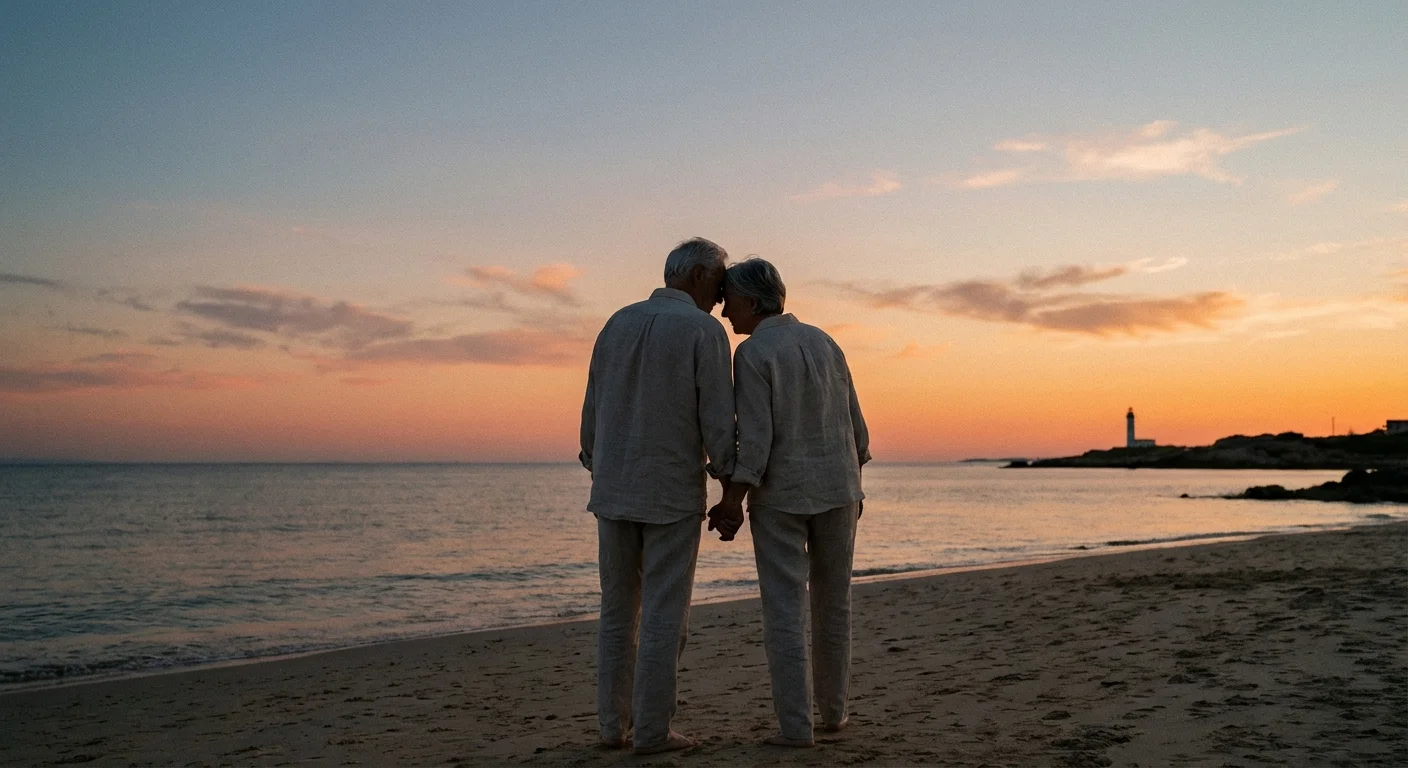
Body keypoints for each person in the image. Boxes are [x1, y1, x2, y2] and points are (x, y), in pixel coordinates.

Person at [578, 237, 736, 755]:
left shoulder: (616, 323)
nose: (721, 295)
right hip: (668, 491)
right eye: (718, 282)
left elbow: (592, 411)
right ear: (695, 277)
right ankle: (651, 731)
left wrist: (600, 465)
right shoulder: (703, 330)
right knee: (666, 613)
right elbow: (716, 418)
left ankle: (611, 727)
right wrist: (731, 485)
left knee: (617, 612)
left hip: (614, 488)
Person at [709, 257, 870, 747]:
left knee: (783, 610)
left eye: (729, 302)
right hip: (840, 489)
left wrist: (733, 498)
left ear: (753, 302)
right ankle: (835, 714)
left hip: (783, 496)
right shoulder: (825, 342)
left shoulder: (755, 354)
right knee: (833, 603)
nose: (723, 313)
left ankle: (796, 728)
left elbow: (755, 440)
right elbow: (857, 428)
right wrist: (854, 473)